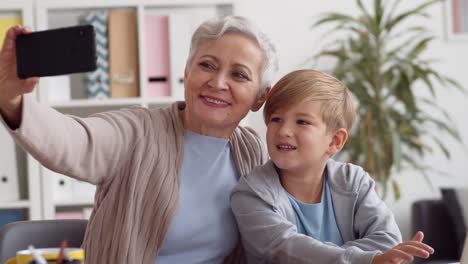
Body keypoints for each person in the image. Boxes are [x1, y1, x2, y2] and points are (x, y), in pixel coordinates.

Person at [0, 16, 278, 263]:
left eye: (238, 74)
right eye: (207, 65)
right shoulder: (138, 131)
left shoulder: (253, 151)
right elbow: (75, 141)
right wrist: (10, 99)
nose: (218, 82)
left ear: (260, 98)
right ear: (187, 72)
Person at [230, 69, 434, 264]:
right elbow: (286, 250)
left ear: (335, 141)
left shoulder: (354, 181)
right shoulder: (251, 194)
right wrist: (367, 259)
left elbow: (388, 241)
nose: (284, 130)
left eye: (302, 122)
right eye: (276, 119)